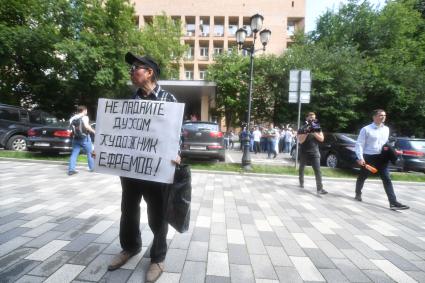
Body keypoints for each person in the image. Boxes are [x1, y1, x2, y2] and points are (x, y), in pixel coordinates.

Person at [107, 52, 180, 282]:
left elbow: (178, 133)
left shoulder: (169, 100)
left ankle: (157, 258)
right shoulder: (129, 102)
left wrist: (178, 152)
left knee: (157, 214)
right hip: (130, 168)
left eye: (135, 68)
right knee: (128, 209)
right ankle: (130, 247)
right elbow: (118, 132)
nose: (131, 72)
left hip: (157, 169)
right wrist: (105, 147)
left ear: (149, 72)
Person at [354, 109, 409, 210]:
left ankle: (393, 202)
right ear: (374, 117)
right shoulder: (366, 129)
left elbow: (385, 143)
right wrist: (360, 158)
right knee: (363, 176)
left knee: (387, 179)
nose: (383, 117)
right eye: (380, 115)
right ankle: (358, 193)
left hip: (382, 158)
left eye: (384, 115)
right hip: (369, 157)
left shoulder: (386, 129)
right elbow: (359, 144)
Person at [297, 112, 327, 194]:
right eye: (311, 118)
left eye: (314, 118)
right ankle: (301, 182)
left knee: (317, 170)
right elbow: (300, 141)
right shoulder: (302, 128)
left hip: (314, 152)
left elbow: (322, 139)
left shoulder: (317, 127)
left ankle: (320, 189)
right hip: (304, 152)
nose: (312, 119)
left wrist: (314, 132)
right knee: (302, 168)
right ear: (307, 118)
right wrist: (306, 132)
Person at [68, 105, 95, 175]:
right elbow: (86, 126)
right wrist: (94, 131)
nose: (87, 111)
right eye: (86, 110)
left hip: (75, 138)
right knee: (90, 153)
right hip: (85, 138)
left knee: (74, 153)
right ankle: (92, 168)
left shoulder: (72, 118)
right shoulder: (85, 117)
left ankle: (71, 169)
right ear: (84, 110)